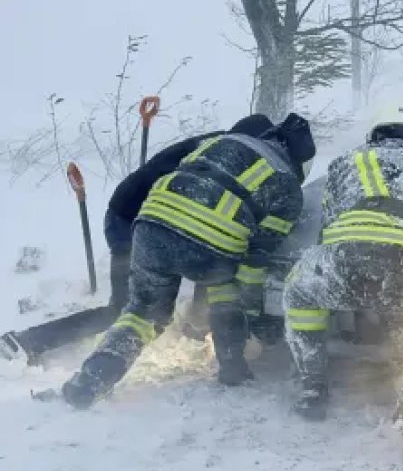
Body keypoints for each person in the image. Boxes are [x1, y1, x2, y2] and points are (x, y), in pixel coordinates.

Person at [60, 112, 316, 410]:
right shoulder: (287, 186)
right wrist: (254, 314)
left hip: (151, 225)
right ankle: (233, 371)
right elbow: (254, 262)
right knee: (225, 292)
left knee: (142, 313)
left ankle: (91, 380)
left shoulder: (221, 142)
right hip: (210, 247)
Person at [0, 115, 275, 365]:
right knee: (123, 308)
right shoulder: (227, 157)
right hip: (132, 222)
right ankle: (27, 341)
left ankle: (196, 326)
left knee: (210, 258)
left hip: (151, 218)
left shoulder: (219, 147)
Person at [282, 101, 403, 459]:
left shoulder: (348, 161)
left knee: (302, 293)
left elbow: (329, 225)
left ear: (375, 132)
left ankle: (313, 384)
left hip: (355, 252)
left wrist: (339, 275)